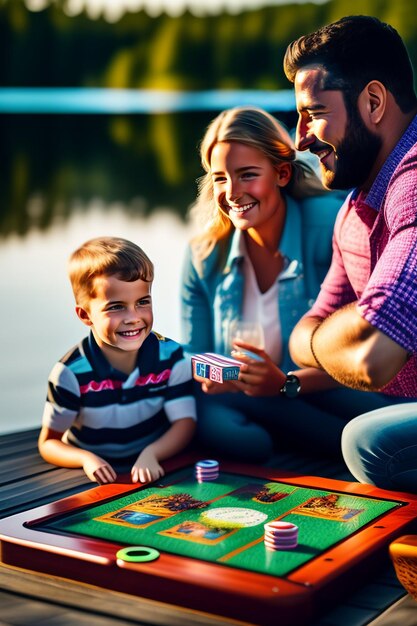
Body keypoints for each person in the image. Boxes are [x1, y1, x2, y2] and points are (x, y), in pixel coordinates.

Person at [181, 105, 394, 463]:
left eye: (247, 174)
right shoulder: (203, 255)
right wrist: (223, 373)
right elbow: (193, 352)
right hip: (249, 398)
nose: (232, 193)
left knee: (238, 427)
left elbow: (371, 354)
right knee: (234, 432)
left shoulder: (333, 227)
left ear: (281, 173)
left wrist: (283, 383)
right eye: (220, 178)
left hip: (344, 395)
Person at [283, 15, 417, 490]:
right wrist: (331, 336)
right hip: (399, 395)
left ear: (374, 102)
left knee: (368, 441)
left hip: (389, 397)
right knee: (253, 395)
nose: (300, 138)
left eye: (313, 112)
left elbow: (371, 358)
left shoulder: (414, 183)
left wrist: (324, 339)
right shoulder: (353, 209)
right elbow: (306, 330)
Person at [38, 237, 196, 485]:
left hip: (154, 461)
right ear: (85, 315)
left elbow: (184, 424)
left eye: (142, 302)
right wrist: (85, 459)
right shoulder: (70, 373)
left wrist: (151, 454)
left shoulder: (172, 357)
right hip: (94, 475)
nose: (133, 318)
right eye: (116, 307)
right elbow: (49, 442)